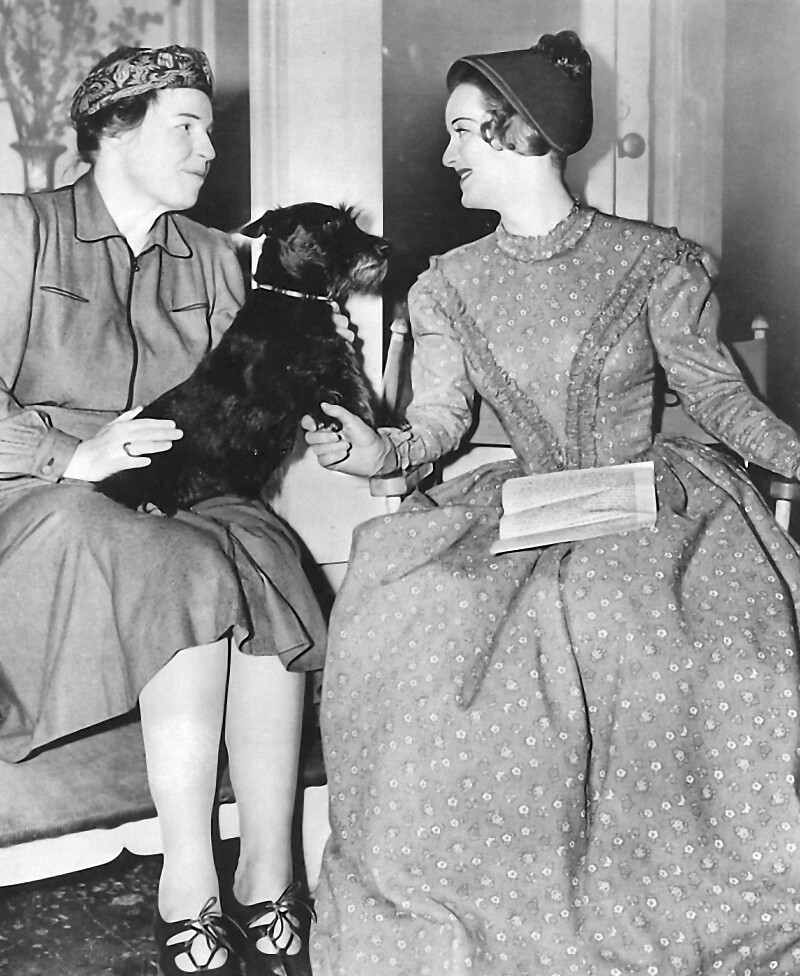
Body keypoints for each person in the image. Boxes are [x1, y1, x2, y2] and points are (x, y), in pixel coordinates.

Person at [302, 29, 800, 976]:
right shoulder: (449, 284)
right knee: (417, 624)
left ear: (521, 131)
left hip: (650, 508)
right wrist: (379, 449)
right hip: (523, 511)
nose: (446, 155)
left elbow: (720, 398)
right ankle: (489, 915)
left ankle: (669, 906)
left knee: (642, 628)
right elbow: (438, 422)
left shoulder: (653, 261)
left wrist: (795, 457)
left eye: (462, 131)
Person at [0, 46, 323, 976]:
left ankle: (269, 869)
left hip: (178, 491)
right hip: (40, 501)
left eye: (210, 131)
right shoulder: (21, 231)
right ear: (114, 131)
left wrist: (309, 396)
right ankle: (190, 879)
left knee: (266, 555)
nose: (209, 150)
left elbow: (236, 414)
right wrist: (71, 455)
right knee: (179, 565)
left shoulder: (219, 259)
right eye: (187, 127)